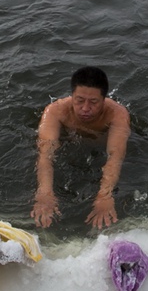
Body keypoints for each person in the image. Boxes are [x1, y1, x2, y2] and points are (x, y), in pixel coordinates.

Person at [30, 66, 131, 229]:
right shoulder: (55, 111)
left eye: (93, 102)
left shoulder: (117, 114)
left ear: (104, 99)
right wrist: (44, 193)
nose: (85, 108)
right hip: (70, 145)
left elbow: (115, 156)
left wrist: (104, 195)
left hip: (99, 149)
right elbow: (45, 154)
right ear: (72, 95)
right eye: (79, 100)